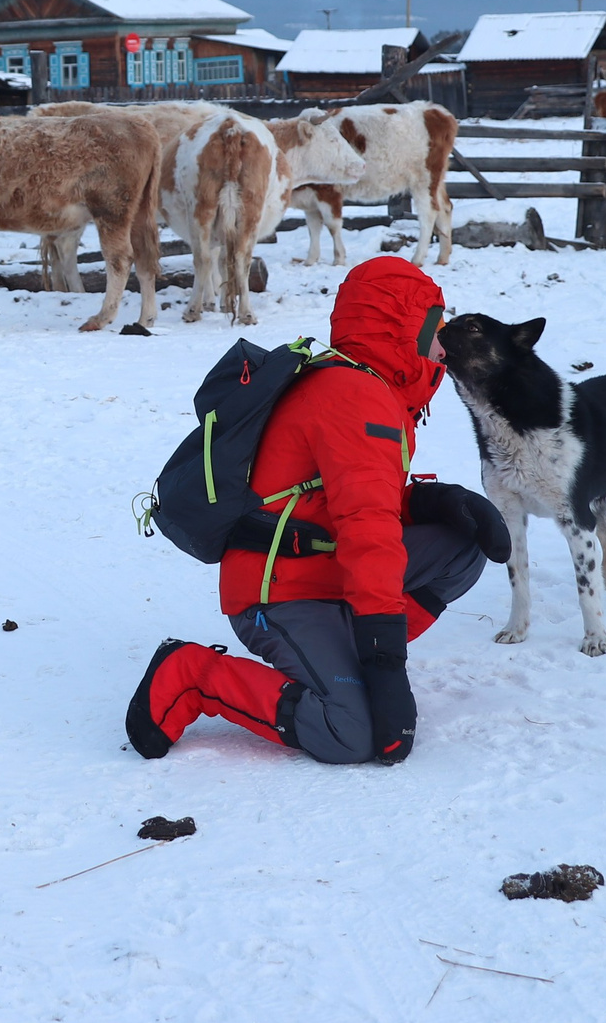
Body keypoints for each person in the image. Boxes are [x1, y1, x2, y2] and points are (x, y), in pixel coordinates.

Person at [125, 255, 509, 766]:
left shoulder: (371, 389)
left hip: (320, 568)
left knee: (460, 546)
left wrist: (431, 500)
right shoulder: (356, 395)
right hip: (278, 590)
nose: (445, 344)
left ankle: (349, 655)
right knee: (347, 733)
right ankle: (193, 674)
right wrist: (386, 662)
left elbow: (348, 499)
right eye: (436, 326)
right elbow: (366, 528)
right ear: (404, 329)